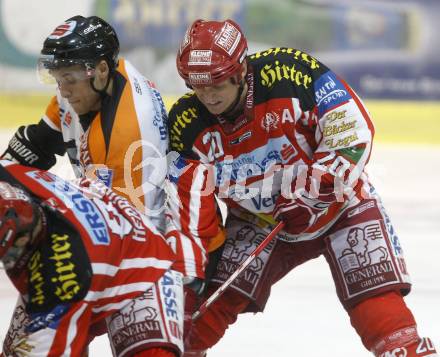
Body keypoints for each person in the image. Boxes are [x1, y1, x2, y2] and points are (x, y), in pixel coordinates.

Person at [165, 19, 438, 356]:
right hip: (256, 222)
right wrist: (197, 267)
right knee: (193, 325)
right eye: (196, 84)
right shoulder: (184, 124)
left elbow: (351, 127)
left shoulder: (290, 71)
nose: (206, 95)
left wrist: (314, 191)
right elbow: (193, 208)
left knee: (385, 319)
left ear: (240, 70)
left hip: (341, 207)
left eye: (216, 82)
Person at [0, 160, 183, 357]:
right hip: (101, 234)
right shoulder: (9, 177)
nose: (12, 258)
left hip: (144, 269)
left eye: (16, 247)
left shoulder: (63, 274)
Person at [1, 15, 168, 229]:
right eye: (57, 78)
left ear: (101, 70)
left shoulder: (128, 132)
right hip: (108, 204)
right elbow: (38, 144)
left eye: (69, 80)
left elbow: (132, 232)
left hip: (143, 238)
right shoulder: (91, 85)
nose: (63, 91)